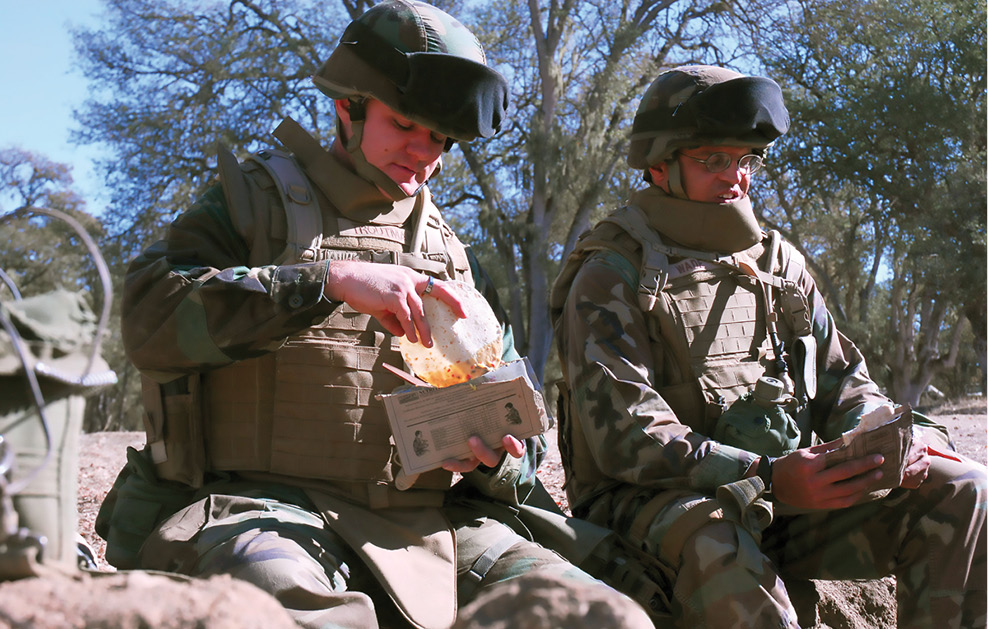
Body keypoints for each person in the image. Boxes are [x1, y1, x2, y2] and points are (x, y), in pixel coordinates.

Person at [96, 2, 651, 628]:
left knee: (599, 615)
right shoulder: (253, 200)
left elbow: (516, 414)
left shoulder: (448, 252)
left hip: (425, 526)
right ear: (348, 107)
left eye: (440, 138)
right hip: (257, 510)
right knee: (290, 610)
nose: (424, 153)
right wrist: (329, 281)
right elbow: (149, 317)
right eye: (406, 123)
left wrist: (495, 455)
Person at [550, 64, 986, 628]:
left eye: (745, 160)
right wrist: (767, 474)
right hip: (649, 500)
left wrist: (899, 436)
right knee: (719, 545)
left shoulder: (778, 265)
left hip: (784, 492)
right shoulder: (612, 271)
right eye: (713, 160)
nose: (735, 177)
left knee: (963, 488)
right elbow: (627, 436)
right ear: (659, 163)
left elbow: (844, 384)